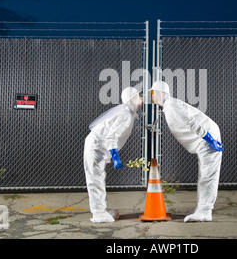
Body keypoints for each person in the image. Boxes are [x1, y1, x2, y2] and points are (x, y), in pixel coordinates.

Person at [150, 81, 223, 222]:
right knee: (204, 174)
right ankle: (200, 208)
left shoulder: (171, 105)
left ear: (160, 93)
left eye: (153, 93)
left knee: (208, 175)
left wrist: (210, 139)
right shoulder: (169, 105)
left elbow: (192, 122)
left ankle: (205, 212)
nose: (151, 97)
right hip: (204, 137)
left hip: (207, 136)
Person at [83, 87, 142, 223]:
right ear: (131, 98)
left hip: (97, 146)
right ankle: (99, 214)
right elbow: (111, 137)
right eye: (138, 95)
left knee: (98, 177)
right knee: (95, 179)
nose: (141, 98)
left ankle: (102, 209)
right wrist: (115, 157)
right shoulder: (126, 114)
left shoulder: (127, 112)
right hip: (96, 147)